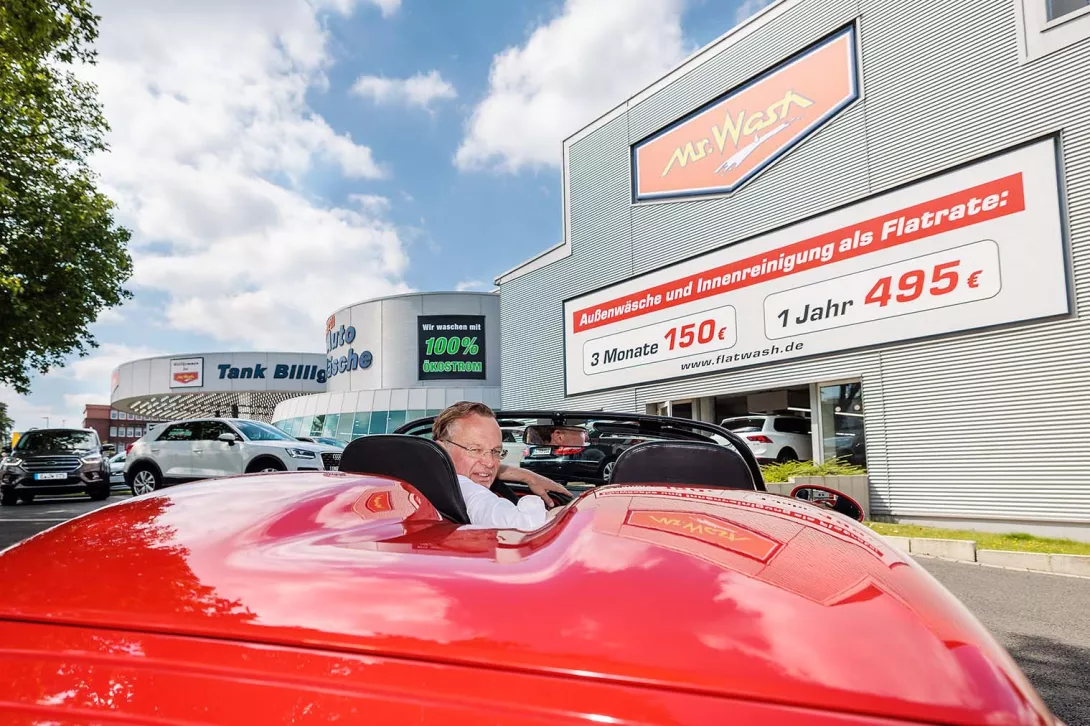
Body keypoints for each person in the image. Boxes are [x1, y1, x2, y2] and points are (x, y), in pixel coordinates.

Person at [433, 401, 572, 530]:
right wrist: (569, 513)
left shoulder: (425, 482)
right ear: (442, 450)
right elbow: (524, 524)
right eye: (475, 450)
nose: (490, 463)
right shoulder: (464, 488)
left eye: (496, 451)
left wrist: (527, 476)